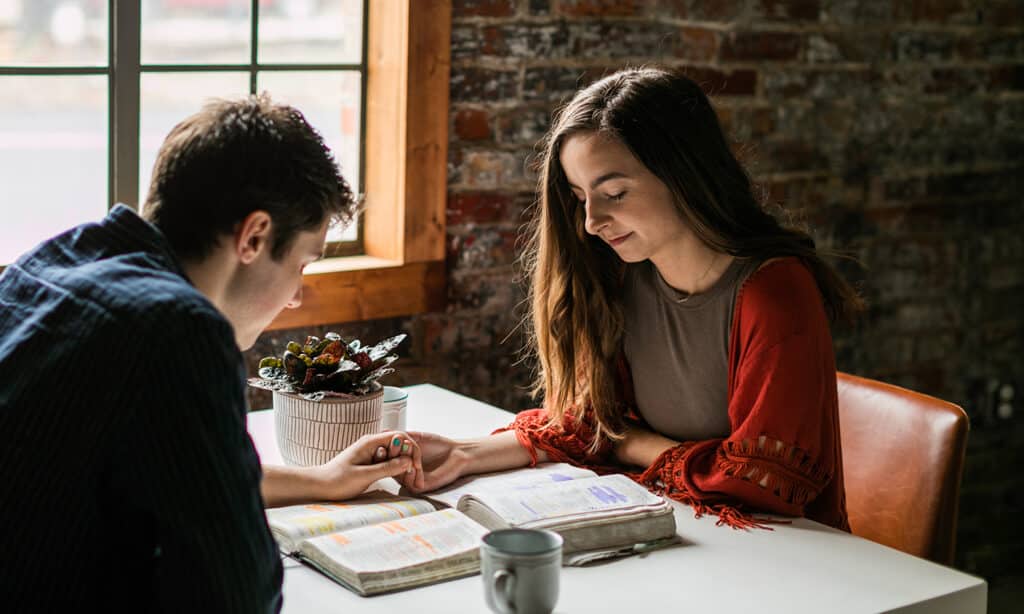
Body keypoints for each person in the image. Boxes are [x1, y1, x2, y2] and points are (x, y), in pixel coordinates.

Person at [0, 94, 423, 612]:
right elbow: (237, 594)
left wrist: (321, 480)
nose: (294, 295)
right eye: (301, 264)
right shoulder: (177, 328)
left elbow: (154, 471)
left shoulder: (50, 262)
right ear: (254, 236)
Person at [404, 67, 863, 531]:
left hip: (786, 556)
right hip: (680, 527)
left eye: (615, 193)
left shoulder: (774, 293)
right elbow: (590, 423)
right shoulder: (622, 277)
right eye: (581, 197)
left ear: (685, 174)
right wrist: (461, 453)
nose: (591, 222)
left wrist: (630, 444)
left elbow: (760, 482)